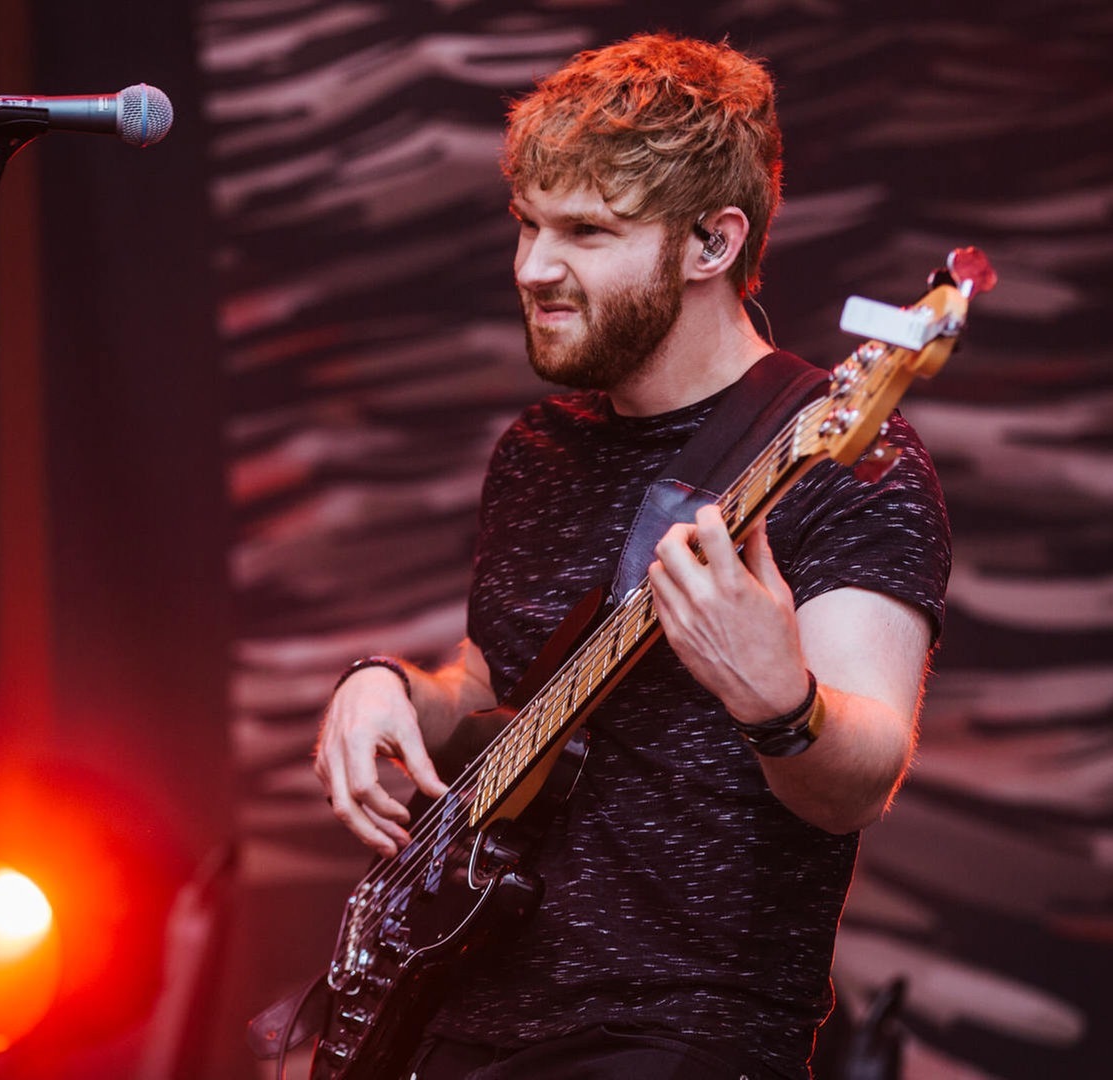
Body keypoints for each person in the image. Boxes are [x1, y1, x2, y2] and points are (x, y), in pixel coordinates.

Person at [312, 32, 950, 1080]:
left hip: (676, 1037)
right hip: (455, 1013)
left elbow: (862, 778)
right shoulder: (536, 451)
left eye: (585, 232)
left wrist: (776, 698)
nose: (532, 268)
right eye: (526, 225)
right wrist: (389, 690)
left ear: (711, 242)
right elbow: (488, 693)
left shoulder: (844, 461)